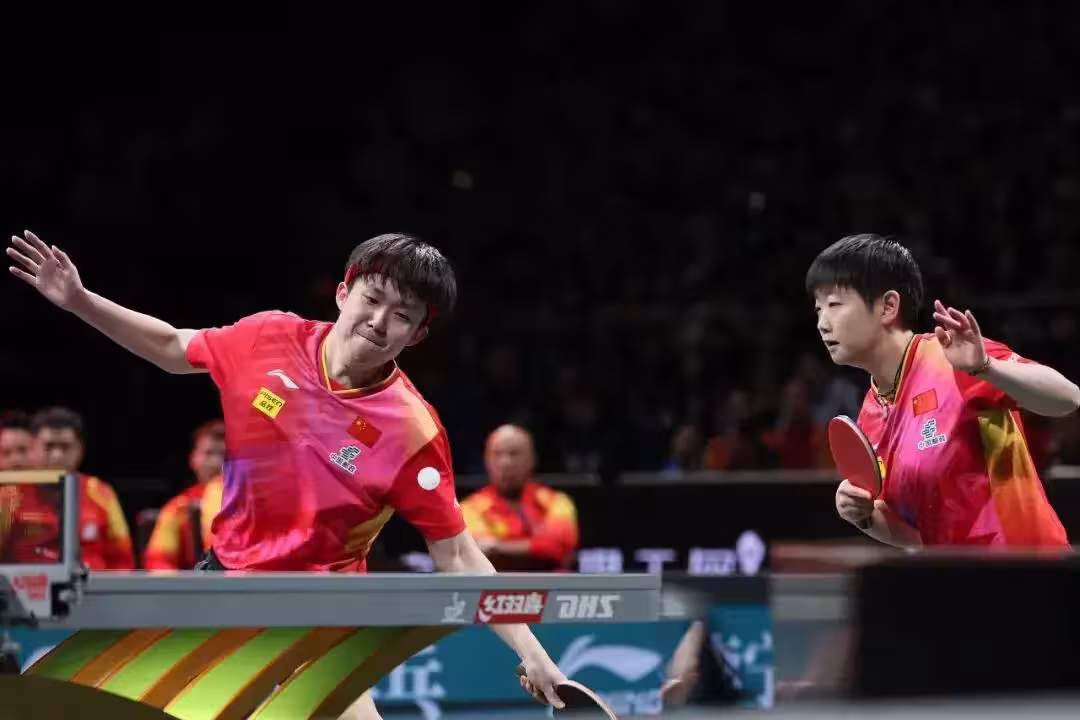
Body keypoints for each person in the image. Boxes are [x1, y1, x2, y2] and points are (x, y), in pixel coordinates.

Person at [8, 230, 568, 719]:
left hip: (322, 611)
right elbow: (172, 346)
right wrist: (80, 301)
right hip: (227, 585)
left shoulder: (412, 431)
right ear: (344, 292)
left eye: (403, 316)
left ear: (417, 335)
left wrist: (534, 654)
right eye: (372, 299)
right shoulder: (267, 339)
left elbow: (460, 557)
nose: (379, 323)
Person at [807, 234, 1080, 548]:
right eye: (818, 310)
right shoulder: (870, 416)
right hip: (955, 574)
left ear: (887, 306)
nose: (822, 323)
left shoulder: (952, 359)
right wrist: (865, 516)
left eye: (834, 305)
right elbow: (918, 536)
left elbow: (1068, 398)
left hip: (1026, 566)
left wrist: (986, 367)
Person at [460, 424, 579, 571]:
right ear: (486, 461)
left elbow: (558, 547)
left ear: (532, 459)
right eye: (497, 454)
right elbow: (476, 555)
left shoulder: (557, 502)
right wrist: (535, 547)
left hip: (551, 584)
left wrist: (497, 546)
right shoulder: (469, 509)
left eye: (514, 454)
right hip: (495, 585)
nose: (506, 462)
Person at [142, 419, 226, 570]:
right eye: (208, 453)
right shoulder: (178, 508)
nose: (216, 462)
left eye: (226, 455)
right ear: (193, 459)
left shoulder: (255, 503)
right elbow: (159, 564)